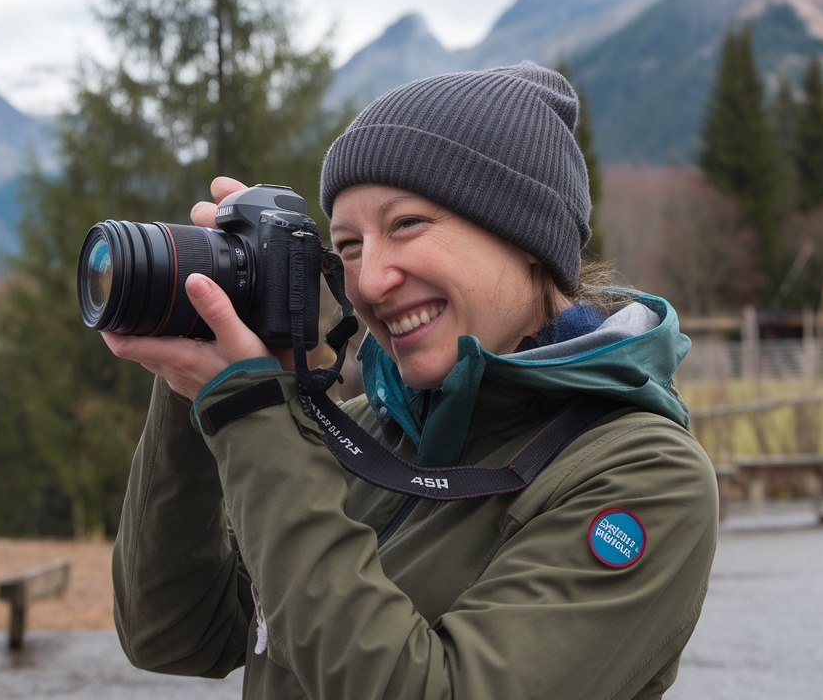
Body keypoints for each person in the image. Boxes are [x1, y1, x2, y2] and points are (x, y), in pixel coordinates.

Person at [103, 61, 718, 699]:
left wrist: (252, 408)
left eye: (406, 225)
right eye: (348, 246)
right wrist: (200, 363)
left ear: (528, 236)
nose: (370, 281)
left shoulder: (641, 474)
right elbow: (176, 635)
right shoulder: (365, 434)